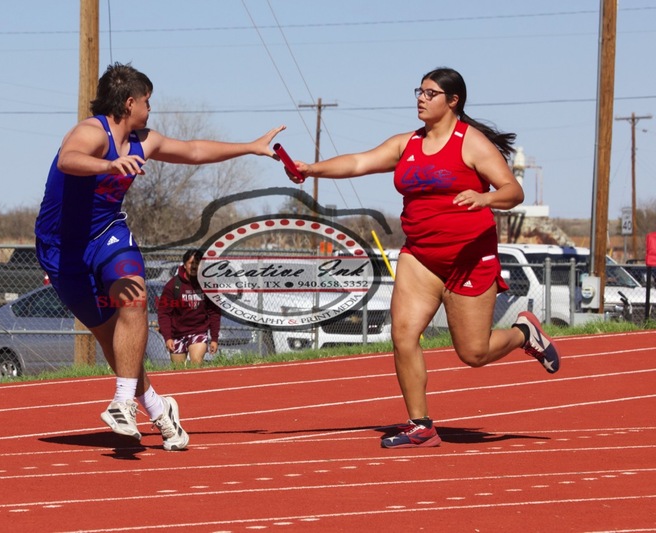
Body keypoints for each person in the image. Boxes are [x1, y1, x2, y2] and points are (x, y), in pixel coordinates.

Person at [284, 67, 560, 449]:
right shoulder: (406, 144)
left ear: (453, 101)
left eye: (430, 93)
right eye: (420, 91)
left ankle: (523, 333)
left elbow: (513, 191)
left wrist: (485, 198)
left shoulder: (471, 143)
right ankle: (421, 425)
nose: (421, 98)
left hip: (468, 256)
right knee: (403, 335)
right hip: (420, 257)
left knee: (473, 353)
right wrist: (312, 169)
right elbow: (361, 162)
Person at [35, 62, 284, 451]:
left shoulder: (145, 140)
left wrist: (249, 147)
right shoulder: (90, 131)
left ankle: (121, 403)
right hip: (61, 250)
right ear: (130, 102)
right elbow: (69, 159)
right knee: (110, 340)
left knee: (133, 298)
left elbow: (195, 151)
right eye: (148, 102)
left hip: (107, 235)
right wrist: (109, 164)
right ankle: (157, 406)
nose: (151, 110)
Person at [156, 249, 221, 367]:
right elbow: (164, 313)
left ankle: (199, 385)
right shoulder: (173, 285)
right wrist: (168, 337)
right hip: (177, 333)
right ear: (185, 265)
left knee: (196, 362)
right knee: (178, 368)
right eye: (191, 263)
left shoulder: (208, 284)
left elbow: (214, 312)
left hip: (198, 330)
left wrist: (214, 338)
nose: (194, 266)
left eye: (198, 263)